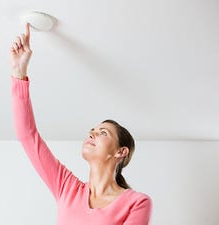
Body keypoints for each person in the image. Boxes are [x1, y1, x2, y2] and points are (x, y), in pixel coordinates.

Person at [10, 23, 152, 225]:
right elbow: (27, 136)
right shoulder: (67, 188)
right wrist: (18, 71)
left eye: (103, 132)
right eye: (92, 131)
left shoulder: (137, 203)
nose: (92, 134)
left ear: (121, 152)